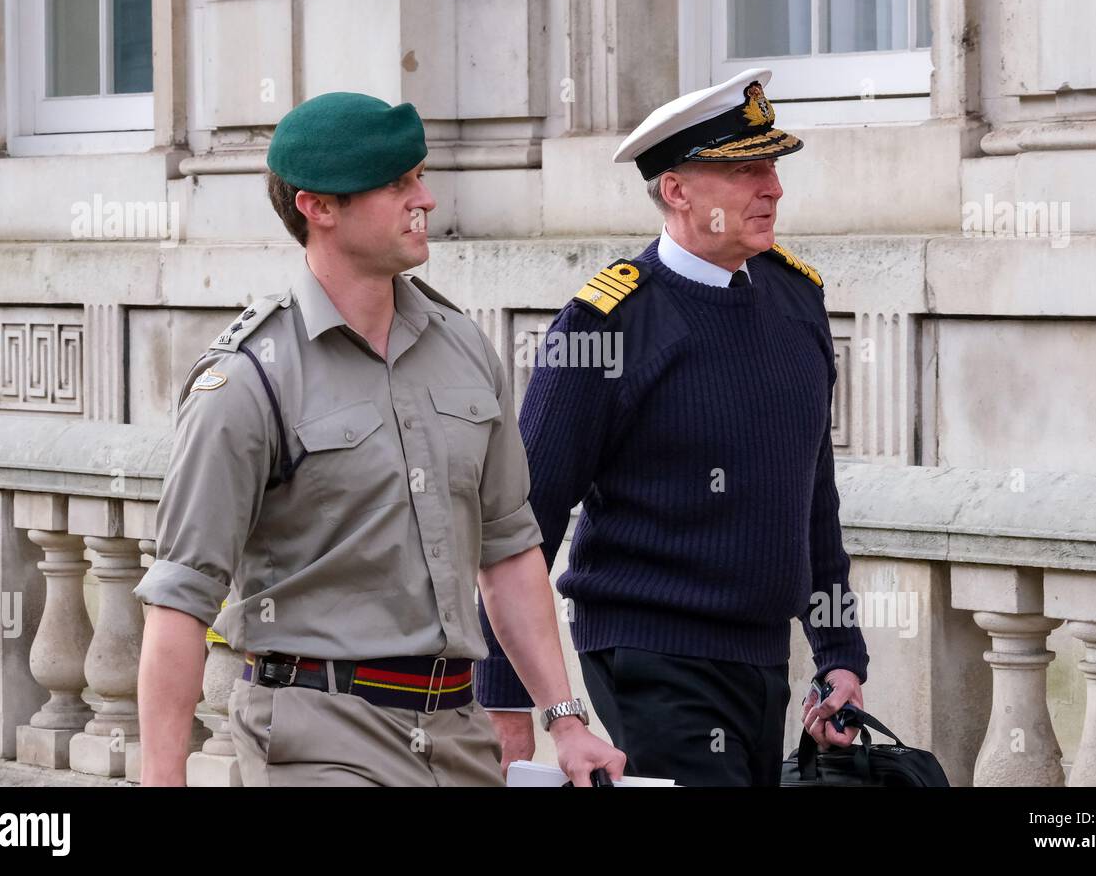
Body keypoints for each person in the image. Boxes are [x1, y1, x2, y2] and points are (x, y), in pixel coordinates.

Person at [134, 91, 624, 787]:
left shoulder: (464, 348)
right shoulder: (247, 381)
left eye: (419, 177)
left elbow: (509, 550)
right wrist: (162, 780)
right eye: (396, 184)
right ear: (319, 207)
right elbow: (181, 598)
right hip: (316, 735)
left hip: (458, 734)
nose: (424, 198)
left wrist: (566, 721)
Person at [476, 68, 870, 786]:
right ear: (677, 190)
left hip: (762, 655)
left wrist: (839, 651)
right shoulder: (604, 323)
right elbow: (519, 518)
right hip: (648, 654)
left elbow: (812, 496)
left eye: (773, 166)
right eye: (746, 169)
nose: (773, 187)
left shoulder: (797, 298)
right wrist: (507, 698)